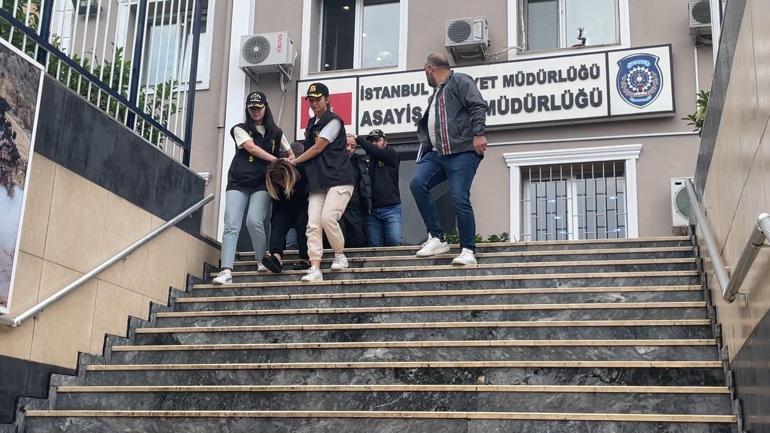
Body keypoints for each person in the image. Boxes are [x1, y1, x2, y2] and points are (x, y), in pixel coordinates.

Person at [410, 52, 488, 265]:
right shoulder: (435, 94)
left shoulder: (460, 81)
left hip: (461, 152)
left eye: (425, 70)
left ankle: (468, 250)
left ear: (430, 68)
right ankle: (437, 237)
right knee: (417, 184)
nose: (425, 75)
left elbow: (478, 105)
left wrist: (479, 133)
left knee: (459, 198)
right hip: (437, 153)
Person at [212, 91, 294, 285]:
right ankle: (226, 270)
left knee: (254, 221)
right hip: (238, 181)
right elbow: (251, 148)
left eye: (259, 107)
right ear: (247, 110)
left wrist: (288, 163)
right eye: (252, 108)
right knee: (231, 224)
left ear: (265, 107)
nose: (256, 111)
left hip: (263, 183)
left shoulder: (276, 132)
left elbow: (290, 153)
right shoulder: (239, 129)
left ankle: (262, 260)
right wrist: (277, 160)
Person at [290, 82, 356, 282]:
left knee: (328, 218)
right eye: (311, 100)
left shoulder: (334, 120)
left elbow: (317, 148)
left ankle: (340, 255)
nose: (314, 103)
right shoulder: (311, 123)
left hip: (339, 178)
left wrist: (294, 161)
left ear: (327, 99)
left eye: (317, 99)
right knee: (312, 224)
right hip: (318, 181)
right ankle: (315, 268)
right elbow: (309, 149)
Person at [348, 129, 402, 247]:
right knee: (374, 246)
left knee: (394, 241)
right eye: (371, 141)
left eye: (377, 140)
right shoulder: (364, 161)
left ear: (385, 142)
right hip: (371, 212)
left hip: (391, 208)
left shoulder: (391, 154)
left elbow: (376, 152)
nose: (374, 143)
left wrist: (358, 138)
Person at [261, 158, 310, 273]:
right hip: (285, 207)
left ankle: (306, 258)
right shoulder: (275, 184)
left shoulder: (302, 171)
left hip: (304, 205)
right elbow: (277, 206)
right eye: (278, 183)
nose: (282, 185)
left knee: (302, 224)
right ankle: (276, 257)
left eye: (282, 181)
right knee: (277, 222)